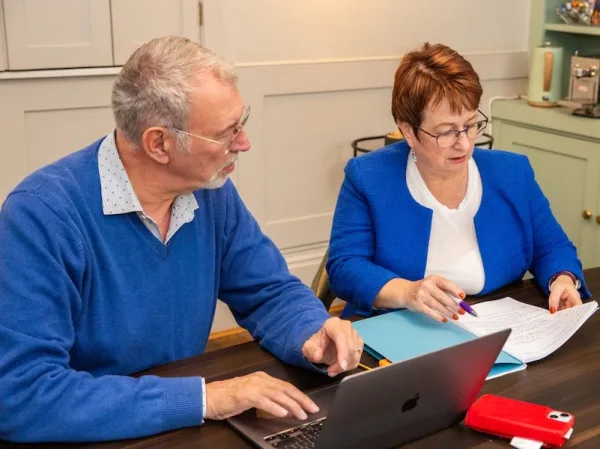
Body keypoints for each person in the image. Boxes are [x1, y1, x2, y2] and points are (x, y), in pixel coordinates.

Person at [0, 36, 363, 443]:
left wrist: (312, 332)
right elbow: (22, 394)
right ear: (159, 143)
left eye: (242, 122)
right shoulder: (42, 214)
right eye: (227, 132)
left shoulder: (210, 191)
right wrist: (203, 399)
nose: (243, 143)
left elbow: (268, 291)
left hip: (174, 423)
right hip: (88, 432)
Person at [327, 42, 590, 322]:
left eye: (470, 124)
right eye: (446, 132)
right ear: (408, 131)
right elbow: (345, 266)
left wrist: (562, 280)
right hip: (397, 326)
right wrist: (407, 292)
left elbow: (552, 247)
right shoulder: (369, 177)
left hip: (495, 327)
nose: (464, 144)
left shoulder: (513, 172)